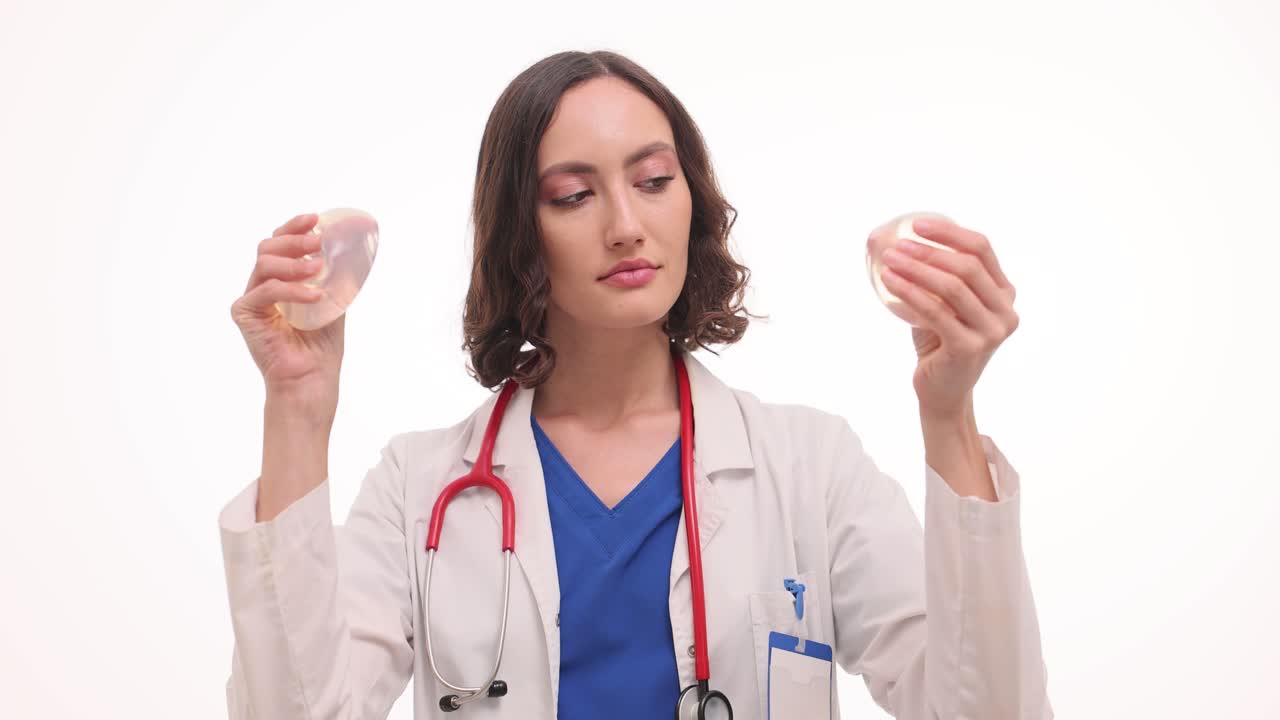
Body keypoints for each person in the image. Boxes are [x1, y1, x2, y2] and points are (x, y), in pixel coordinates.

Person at [221, 50, 1052, 720]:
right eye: (574, 195)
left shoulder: (810, 469)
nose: (626, 225)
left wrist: (949, 416)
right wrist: (295, 413)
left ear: (691, 199)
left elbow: (989, 713)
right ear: (521, 229)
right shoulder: (421, 489)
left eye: (654, 181)